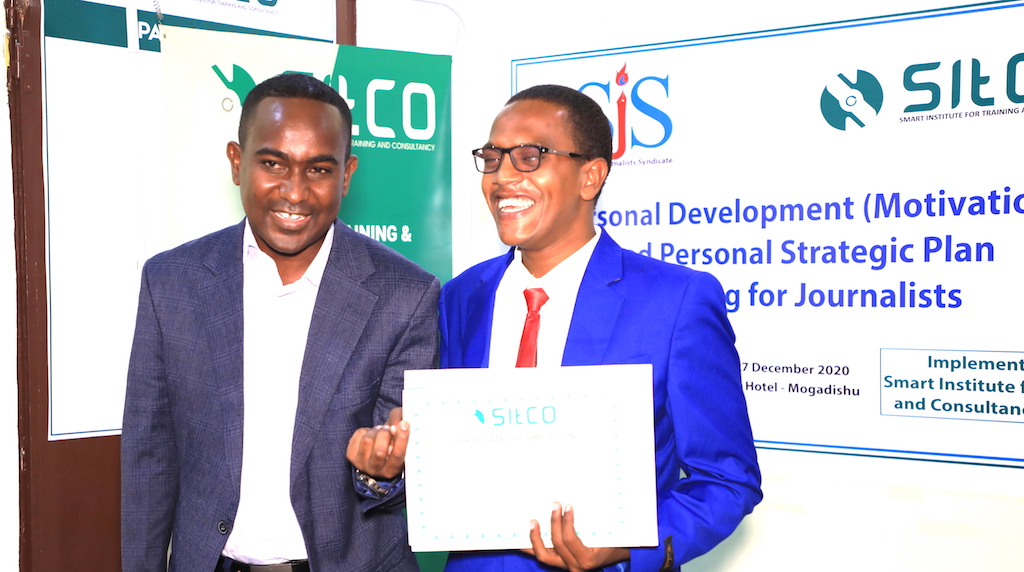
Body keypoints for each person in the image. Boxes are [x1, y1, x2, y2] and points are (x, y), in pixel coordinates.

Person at [121, 73, 438, 572]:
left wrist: (381, 471)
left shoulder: (406, 293)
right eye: (272, 163)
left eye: (318, 169)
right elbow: (150, 457)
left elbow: (399, 466)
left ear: (347, 174)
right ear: (236, 161)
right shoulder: (172, 283)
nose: (294, 192)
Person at [438, 84, 762, 571]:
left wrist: (627, 545)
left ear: (590, 176)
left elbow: (727, 480)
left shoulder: (676, 302)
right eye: (491, 157)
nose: (501, 177)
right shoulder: (462, 296)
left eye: (528, 157)